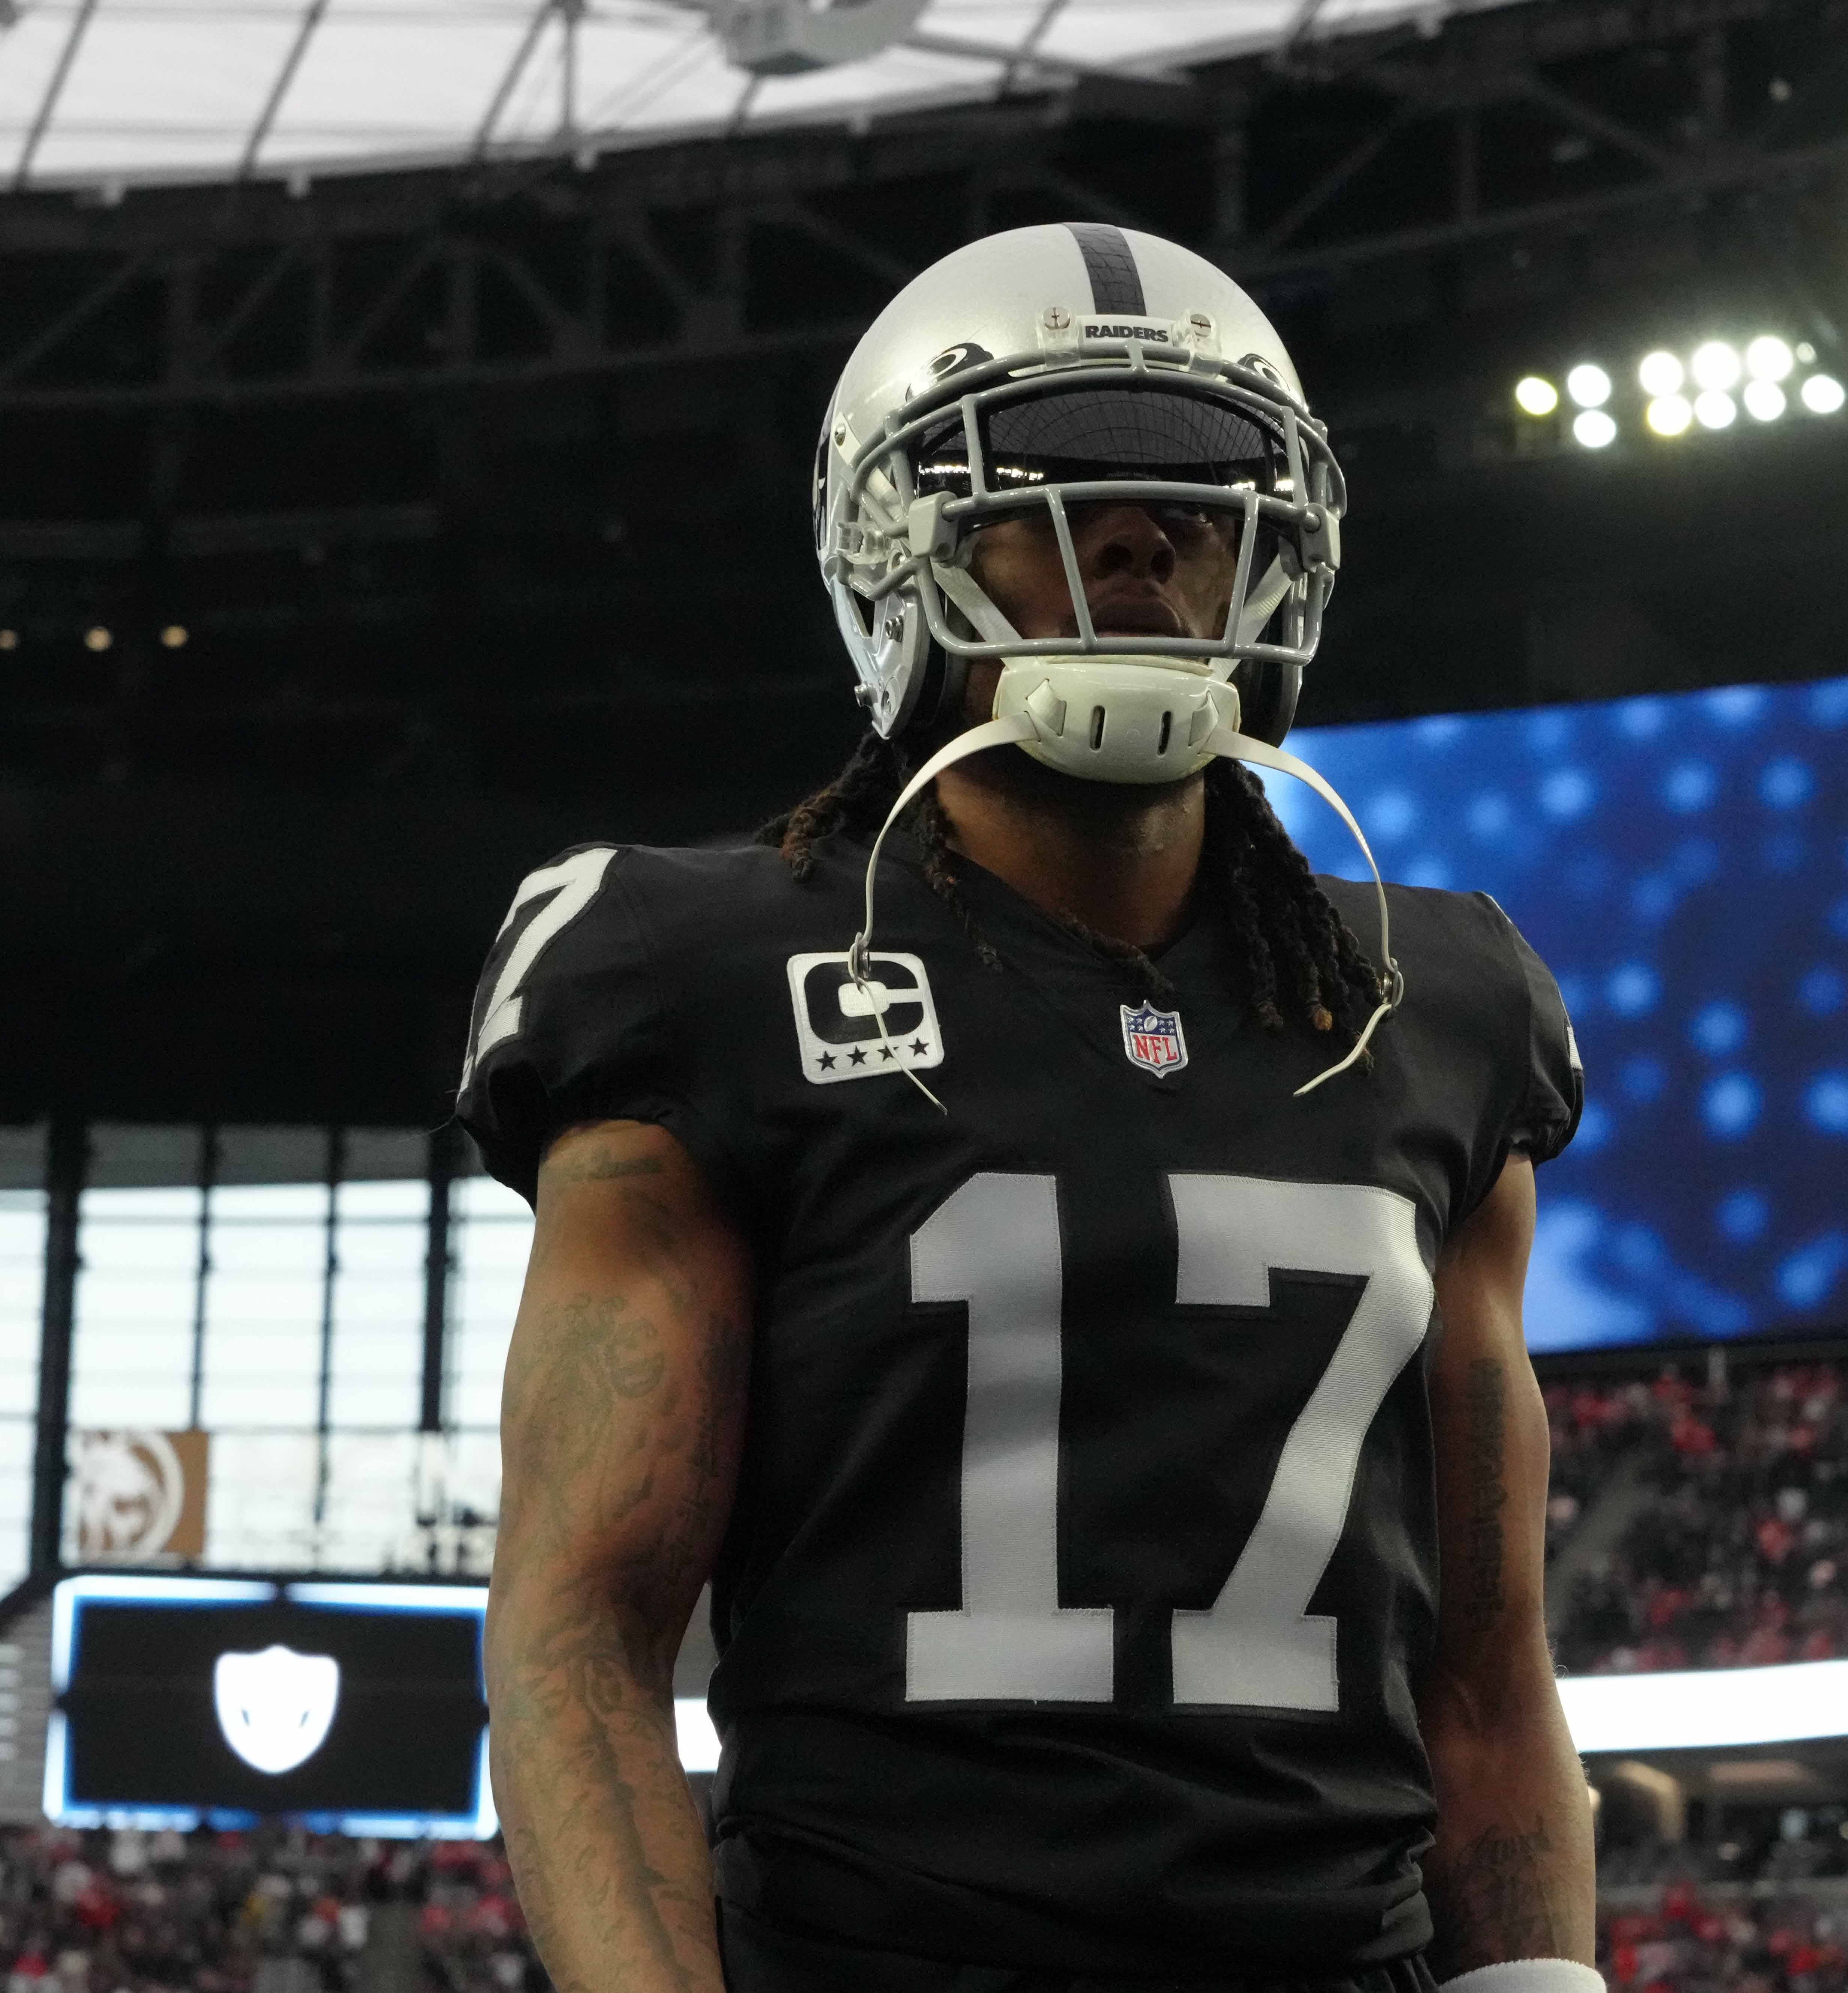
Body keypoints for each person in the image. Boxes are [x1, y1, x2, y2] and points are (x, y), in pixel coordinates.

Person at [459, 222, 1600, 1993]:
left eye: (1203, 495)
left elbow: (1485, 1663)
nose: (1138, 538)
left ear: (1282, 549)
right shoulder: (701, 967)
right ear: (891, 548)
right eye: (1046, 486)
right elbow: (581, 1631)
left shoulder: (1430, 1000)